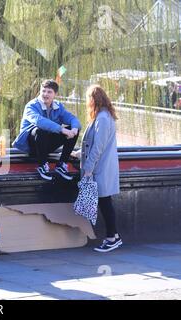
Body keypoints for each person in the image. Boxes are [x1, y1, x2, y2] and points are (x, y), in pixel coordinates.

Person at [77, 84, 122, 253]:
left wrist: (88, 167)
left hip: (100, 168)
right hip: (103, 166)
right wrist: (80, 153)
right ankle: (115, 236)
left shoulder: (102, 118)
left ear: (93, 99)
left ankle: (111, 238)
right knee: (105, 202)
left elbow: (98, 146)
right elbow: (94, 143)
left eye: (88, 98)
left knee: (105, 203)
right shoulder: (104, 116)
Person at [13, 79, 81, 181]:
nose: (45, 94)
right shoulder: (31, 106)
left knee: (73, 129)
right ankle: (42, 166)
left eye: (49, 92)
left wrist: (75, 129)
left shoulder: (58, 106)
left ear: (55, 94)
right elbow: (40, 121)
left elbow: (73, 119)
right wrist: (61, 130)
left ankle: (61, 164)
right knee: (40, 130)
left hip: (47, 145)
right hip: (32, 146)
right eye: (43, 91)